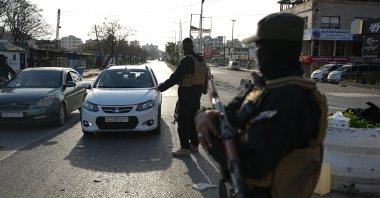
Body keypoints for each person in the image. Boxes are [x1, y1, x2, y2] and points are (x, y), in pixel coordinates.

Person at [195, 13, 327, 197]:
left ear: (272, 49)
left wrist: (209, 135)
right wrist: (206, 113)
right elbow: (229, 114)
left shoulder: (291, 99)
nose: (257, 52)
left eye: (259, 46)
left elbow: (252, 166)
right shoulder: (264, 87)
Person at [158, 38, 207, 157]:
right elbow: (205, 76)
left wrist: (161, 87)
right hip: (197, 95)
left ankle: (185, 148)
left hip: (187, 95)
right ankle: (194, 146)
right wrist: (203, 90)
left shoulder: (187, 60)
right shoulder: (200, 59)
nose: (183, 51)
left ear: (185, 48)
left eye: (183, 48)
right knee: (194, 121)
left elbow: (175, 77)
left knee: (184, 122)